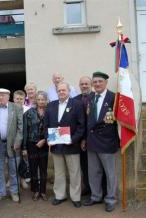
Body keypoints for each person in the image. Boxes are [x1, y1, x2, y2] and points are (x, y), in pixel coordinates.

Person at [82, 72, 120, 212]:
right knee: (94, 172)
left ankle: (110, 199)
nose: (97, 84)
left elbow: (119, 123)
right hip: (92, 141)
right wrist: (85, 139)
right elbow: (88, 121)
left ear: (106, 83)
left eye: (100, 81)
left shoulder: (114, 98)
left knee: (110, 174)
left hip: (107, 142)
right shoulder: (90, 97)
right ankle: (96, 196)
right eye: (95, 82)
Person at [45, 82, 85, 208]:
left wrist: (73, 139)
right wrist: (48, 138)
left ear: (69, 91)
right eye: (59, 90)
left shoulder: (77, 104)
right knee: (59, 173)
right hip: (56, 145)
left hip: (71, 145)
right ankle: (60, 195)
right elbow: (46, 125)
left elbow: (81, 125)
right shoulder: (51, 105)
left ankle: (75, 197)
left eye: (63, 90)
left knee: (74, 173)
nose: (61, 92)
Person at [0, 88, 23, 203]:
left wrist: (17, 142)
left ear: (8, 96)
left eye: (2, 95)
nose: (0, 97)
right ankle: (0, 192)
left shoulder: (16, 107)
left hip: (13, 145)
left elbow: (20, 128)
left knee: (13, 170)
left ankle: (14, 192)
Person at [22, 91, 49, 201]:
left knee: (43, 168)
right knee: (33, 168)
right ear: (35, 100)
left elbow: (52, 128)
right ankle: (35, 190)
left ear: (46, 100)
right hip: (31, 144)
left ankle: (43, 191)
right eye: (39, 99)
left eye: (43, 99)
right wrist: (24, 147)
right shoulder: (28, 113)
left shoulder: (50, 112)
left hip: (45, 143)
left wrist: (45, 139)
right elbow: (25, 130)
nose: (41, 101)